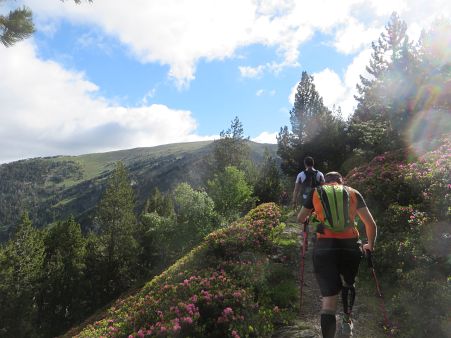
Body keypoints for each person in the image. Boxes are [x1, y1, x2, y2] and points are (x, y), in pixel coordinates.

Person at [297, 171, 377, 338]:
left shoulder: (316, 192)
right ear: (341, 181)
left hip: (325, 248)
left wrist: (316, 220)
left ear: (325, 182)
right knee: (349, 283)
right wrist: (370, 245)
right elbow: (371, 224)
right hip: (350, 247)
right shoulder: (353, 192)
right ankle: (347, 322)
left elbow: (300, 217)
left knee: (329, 300)